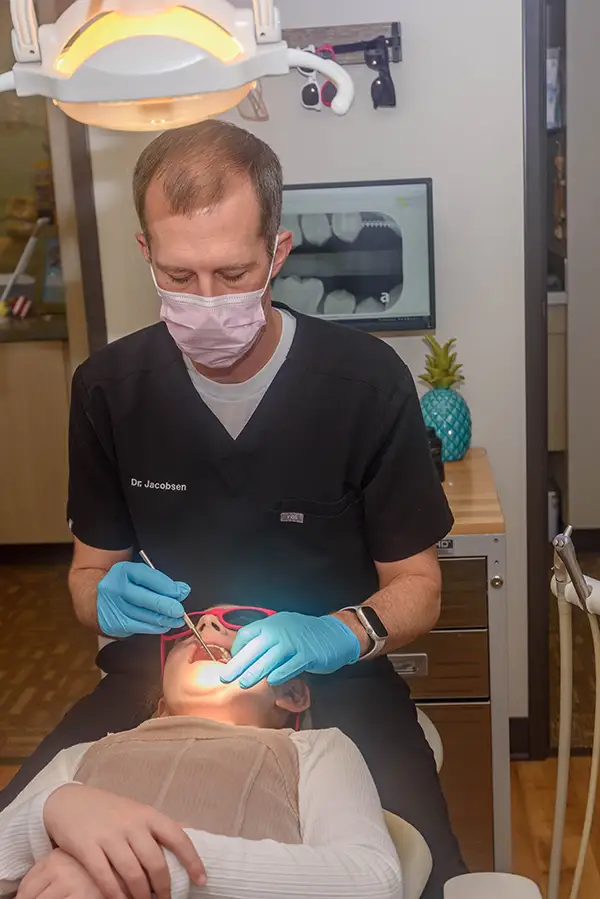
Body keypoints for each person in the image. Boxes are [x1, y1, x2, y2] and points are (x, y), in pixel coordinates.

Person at [0, 119, 465, 896]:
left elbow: (419, 586)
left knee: (429, 881)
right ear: (145, 253)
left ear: (277, 253)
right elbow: (89, 577)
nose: (205, 300)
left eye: (231, 271)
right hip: (150, 680)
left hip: (337, 683)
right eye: (179, 276)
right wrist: (102, 597)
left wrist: (339, 633)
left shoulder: (364, 383)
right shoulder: (110, 390)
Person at [0, 607, 403, 899]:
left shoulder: (316, 749)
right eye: (191, 632)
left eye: (242, 628)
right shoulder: (85, 754)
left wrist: (152, 866)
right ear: (161, 709)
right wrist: (50, 810)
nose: (207, 624)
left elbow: (373, 880)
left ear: (293, 695)